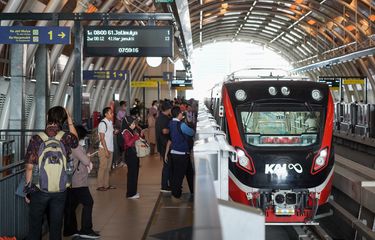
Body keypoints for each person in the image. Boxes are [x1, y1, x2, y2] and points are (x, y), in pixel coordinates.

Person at [24, 106, 78, 240]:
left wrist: (28, 190)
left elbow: (30, 167)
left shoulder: (37, 138)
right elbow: (76, 140)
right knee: (56, 226)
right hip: (60, 190)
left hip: (39, 189)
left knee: (35, 225)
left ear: (48, 118)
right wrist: (70, 120)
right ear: (63, 120)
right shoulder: (65, 137)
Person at [64, 125, 100, 239]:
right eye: (83, 137)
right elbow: (85, 160)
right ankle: (86, 229)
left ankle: (70, 230)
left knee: (71, 206)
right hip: (78, 181)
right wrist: (87, 157)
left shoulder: (67, 145)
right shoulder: (76, 146)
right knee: (88, 202)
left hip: (70, 181)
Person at [167, 106, 195, 199]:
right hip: (182, 153)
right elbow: (191, 132)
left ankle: (193, 190)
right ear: (179, 114)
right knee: (179, 175)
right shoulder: (181, 125)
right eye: (181, 113)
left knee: (187, 172)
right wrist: (189, 122)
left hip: (174, 152)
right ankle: (176, 193)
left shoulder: (171, 123)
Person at [97, 107, 116, 191]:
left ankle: (106, 185)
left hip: (110, 148)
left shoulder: (110, 122)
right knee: (103, 167)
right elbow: (102, 138)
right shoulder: (102, 123)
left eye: (112, 112)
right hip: (104, 149)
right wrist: (106, 150)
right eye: (110, 113)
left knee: (108, 168)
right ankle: (100, 185)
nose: (112, 114)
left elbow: (109, 134)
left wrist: (114, 132)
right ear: (105, 114)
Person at [155, 101, 173, 192]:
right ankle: (164, 186)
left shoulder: (160, 117)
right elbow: (164, 131)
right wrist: (173, 130)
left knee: (167, 165)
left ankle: (168, 184)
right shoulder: (164, 119)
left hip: (162, 144)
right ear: (169, 109)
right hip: (165, 145)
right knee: (167, 165)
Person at [122, 116, 141, 199]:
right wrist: (135, 137)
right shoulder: (126, 132)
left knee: (134, 173)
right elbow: (128, 144)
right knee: (132, 174)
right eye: (132, 123)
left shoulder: (130, 131)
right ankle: (130, 193)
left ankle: (133, 192)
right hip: (130, 154)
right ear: (128, 124)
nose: (134, 125)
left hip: (133, 154)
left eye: (134, 123)